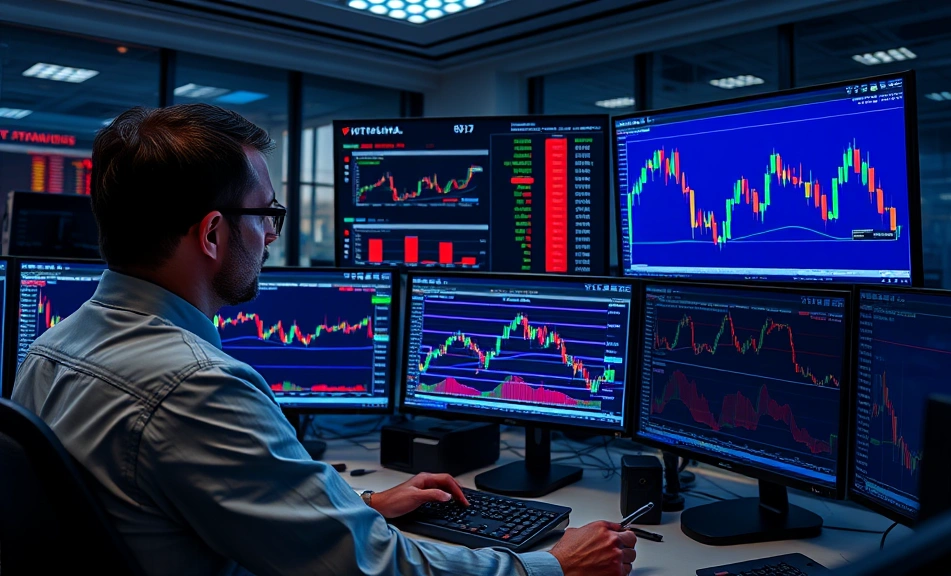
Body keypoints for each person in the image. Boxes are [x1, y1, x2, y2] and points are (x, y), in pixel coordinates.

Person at [11, 104, 638, 576]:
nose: (271, 237)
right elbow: (374, 568)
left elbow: (177, 501)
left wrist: (357, 503)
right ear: (212, 234)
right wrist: (552, 565)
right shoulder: (196, 386)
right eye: (267, 215)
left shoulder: (51, 349)